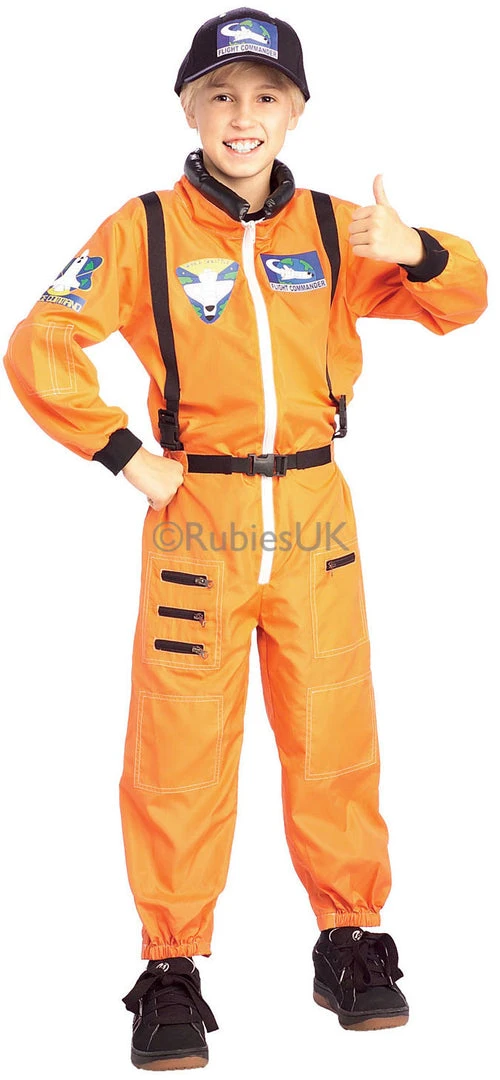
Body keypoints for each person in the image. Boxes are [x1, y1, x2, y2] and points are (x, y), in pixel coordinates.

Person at [2, 5, 488, 1069]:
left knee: (332, 732)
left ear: (296, 112)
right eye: (220, 94)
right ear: (188, 108)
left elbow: (463, 302)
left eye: (267, 96)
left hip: (315, 519)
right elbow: (41, 341)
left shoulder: (335, 231)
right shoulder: (143, 230)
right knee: (179, 744)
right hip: (199, 522)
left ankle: (348, 939)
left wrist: (418, 251)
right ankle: (170, 963)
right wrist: (123, 452)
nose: (242, 114)